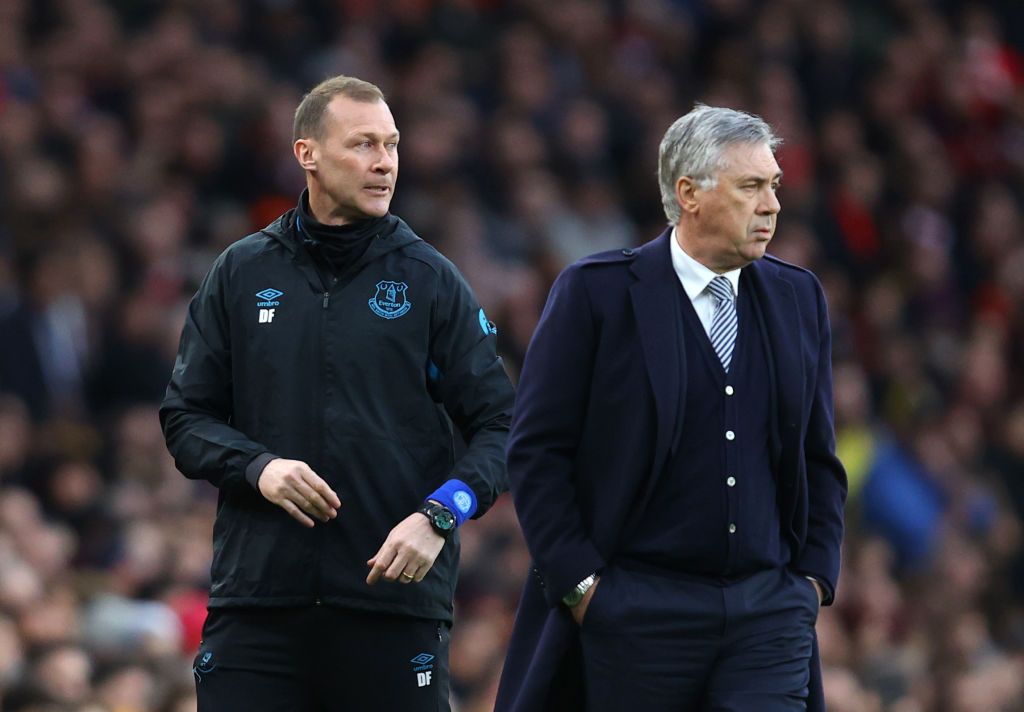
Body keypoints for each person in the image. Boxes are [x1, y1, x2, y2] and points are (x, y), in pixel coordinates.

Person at [160, 75, 514, 712]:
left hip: (391, 609)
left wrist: (441, 514)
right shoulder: (241, 273)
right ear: (308, 154)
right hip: (259, 610)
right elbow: (185, 416)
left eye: (392, 145)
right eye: (363, 145)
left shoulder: (431, 281)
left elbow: (503, 426)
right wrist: (256, 467)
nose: (385, 163)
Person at [495, 105, 847, 712]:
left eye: (774, 187)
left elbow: (818, 453)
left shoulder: (798, 296)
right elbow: (536, 451)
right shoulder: (595, 293)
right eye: (751, 187)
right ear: (689, 193)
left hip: (768, 614)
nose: (772, 205)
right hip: (635, 611)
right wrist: (582, 586)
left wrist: (813, 578)